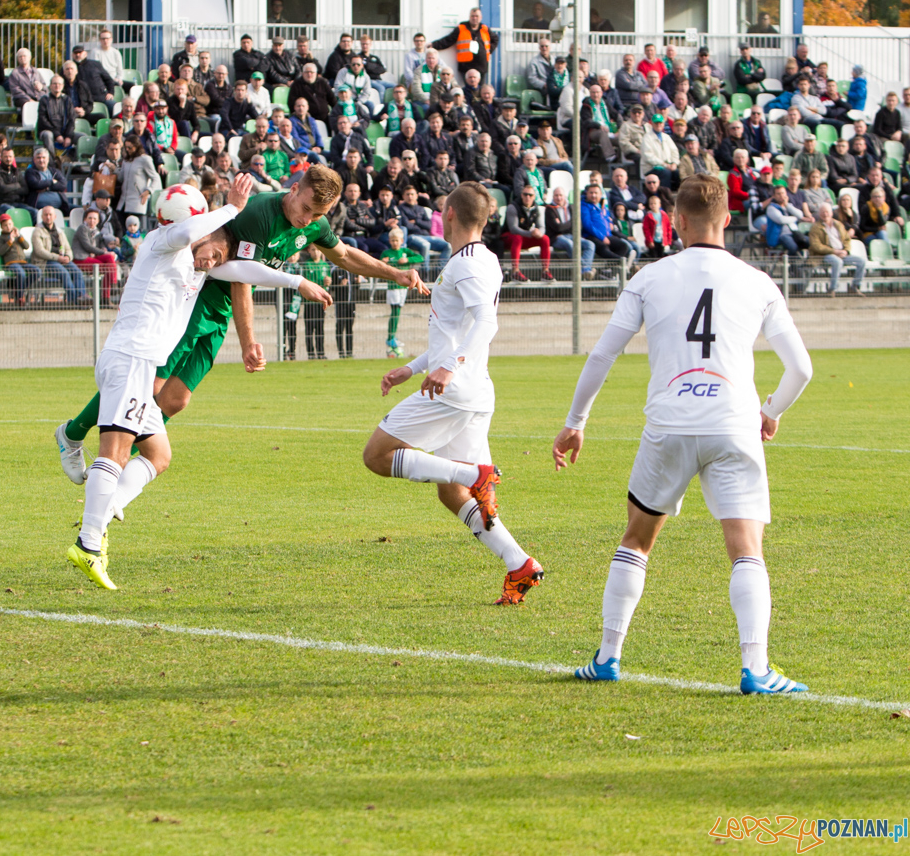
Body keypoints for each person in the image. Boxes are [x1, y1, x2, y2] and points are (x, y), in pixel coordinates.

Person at [556, 175, 814, 694]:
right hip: (733, 424)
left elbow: (603, 354)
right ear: (727, 220)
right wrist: (770, 410)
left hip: (669, 426)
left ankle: (608, 657)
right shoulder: (758, 281)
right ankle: (756, 669)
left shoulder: (650, 277)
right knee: (745, 549)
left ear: (676, 221)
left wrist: (576, 422)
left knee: (637, 539)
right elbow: (801, 369)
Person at [54, 168, 427, 478]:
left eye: (317, 215)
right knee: (148, 384)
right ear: (294, 189)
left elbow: (344, 255)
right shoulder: (261, 214)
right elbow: (241, 277)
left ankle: (127, 468)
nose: (309, 220)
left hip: (219, 314)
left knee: (176, 400)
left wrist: (394, 273)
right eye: (306, 209)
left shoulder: (313, 223)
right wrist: (249, 341)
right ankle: (79, 438)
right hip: (200, 299)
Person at [66, 177, 328, 589]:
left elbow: (244, 268)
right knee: (114, 451)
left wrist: (297, 282)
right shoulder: (161, 240)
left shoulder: (192, 261)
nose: (210, 254)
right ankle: (89, 544)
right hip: (132, 358)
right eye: (205, 227)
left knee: (157, 454)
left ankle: (104, 509)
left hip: (137, 360)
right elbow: (191, 232)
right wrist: (232, 207)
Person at [362, 183, 543, 606]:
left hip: (454, 389)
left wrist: (447, 367)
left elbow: (486, 323)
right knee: (449, 491)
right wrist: (413, 367)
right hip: (471, 389)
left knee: (376, 456)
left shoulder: (468, 265)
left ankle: (476, 474)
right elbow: (457, 330)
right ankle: (519, 563)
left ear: (450, 215)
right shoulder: (477, 259)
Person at [379, 226, 423, 358]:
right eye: (392, 240)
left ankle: (393, 336)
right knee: (395, 310)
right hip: (393, 286)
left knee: (398, 309)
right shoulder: (386, 253)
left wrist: (408, 260)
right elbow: (380, 265)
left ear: (402, 240)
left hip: (403, 288)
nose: (394, 243)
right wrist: (383, 262)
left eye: (396, 240)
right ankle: (391, 336)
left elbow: (420, 257)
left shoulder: (405, 252)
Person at [807, 202, 865, 295]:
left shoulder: (838, 224)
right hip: (825, 255)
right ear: (819, 213)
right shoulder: (815, 227)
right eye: (822, 212)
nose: (825, 214)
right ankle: (832, 289)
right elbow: (816, 246)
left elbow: (846, 239)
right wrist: (834, 251)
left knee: (861, 261)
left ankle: (855, 286)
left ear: (831, 213)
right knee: (837, 262)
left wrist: (846, 251)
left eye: (827, 212)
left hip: (842, 253)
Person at [430, 7, 496, 83]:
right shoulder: (461, 28)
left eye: (476, 16)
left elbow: (495, 39)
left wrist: (487, 51)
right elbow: (449, 40)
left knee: (480, 89)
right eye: (472, 16)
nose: (474, 18)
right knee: (467, 89)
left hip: (481, 65)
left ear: (481, 18)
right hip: (466, 65)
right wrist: (434, 45)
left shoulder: (485, 29)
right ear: (469, 17)